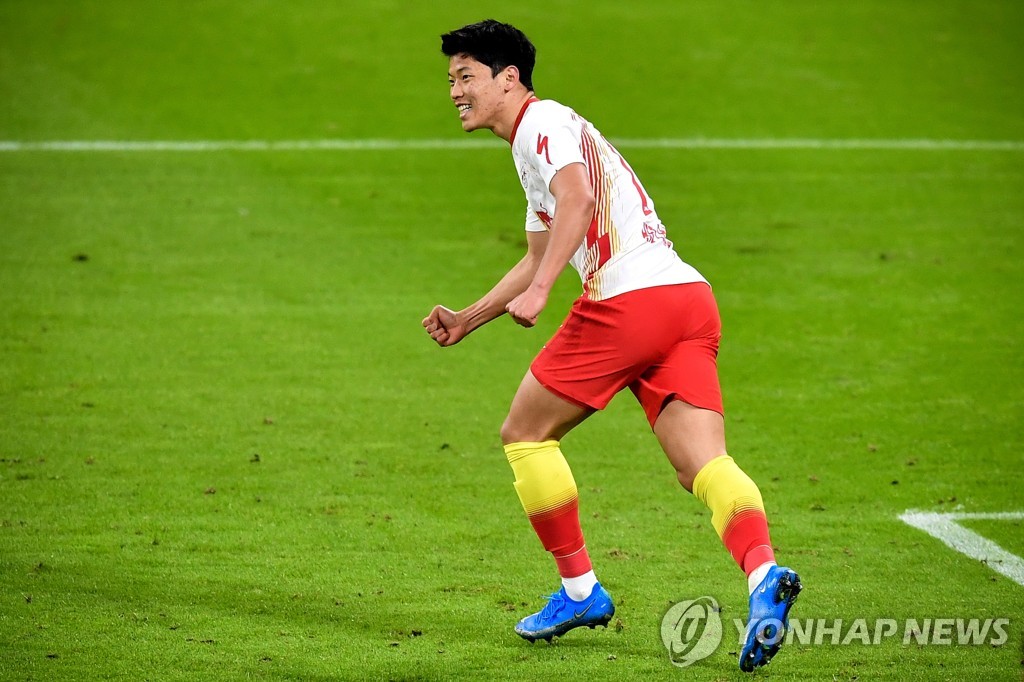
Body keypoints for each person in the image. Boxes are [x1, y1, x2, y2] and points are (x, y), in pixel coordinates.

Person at [422, 19, 801, 672]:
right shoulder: (539, 141)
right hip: (687, 299)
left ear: (507, 78)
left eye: (465, 76)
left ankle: (580, 591)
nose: (454, 91)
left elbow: (577, 201)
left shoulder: (541, 124)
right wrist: (470, 317)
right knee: (701, 464)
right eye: (450, 79)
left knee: (525, 433)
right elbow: (539, 249)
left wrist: (545, 292)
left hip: (630, 301)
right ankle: (764, 575)